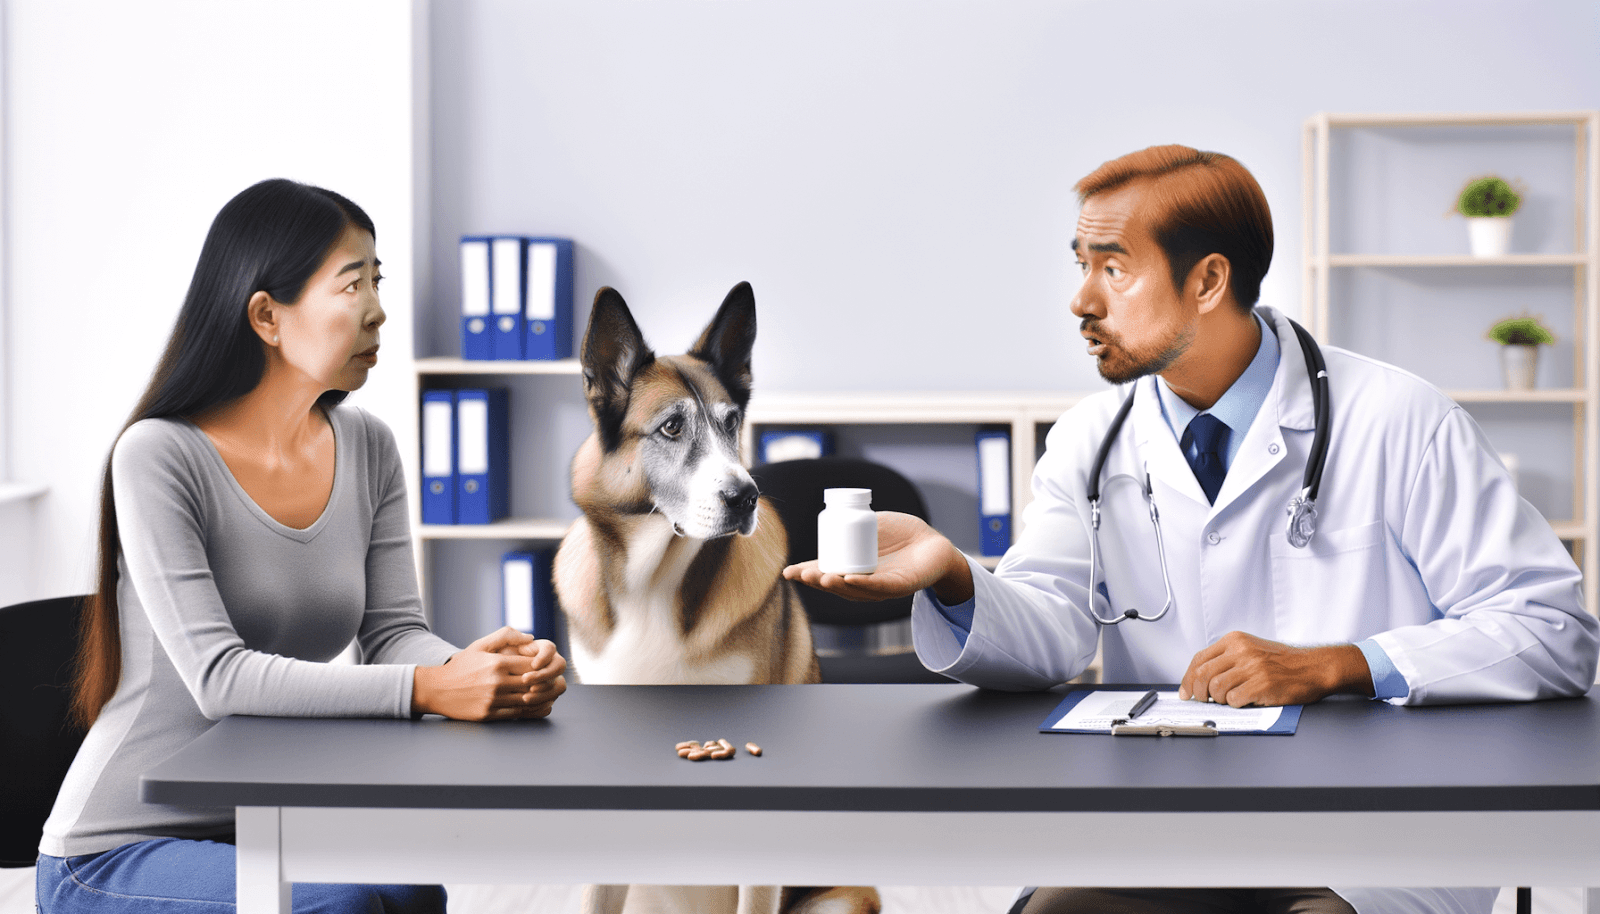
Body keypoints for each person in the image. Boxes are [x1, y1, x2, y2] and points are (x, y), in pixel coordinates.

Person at [785, 145, 1599, 914]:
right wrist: (955, 575)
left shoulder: (1400, 420)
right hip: (1163, 834)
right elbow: (1053, 633)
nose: (1081, 300)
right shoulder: (1089, 439)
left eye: (1114, 268)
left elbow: (1552, 628)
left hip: (1368, 836)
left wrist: (1343, 665)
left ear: (1208, 280)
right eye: (1081, 266)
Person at [36, 178, 568, 913]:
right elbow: (218, 678)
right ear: (267, 316)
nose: (380, 309)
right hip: (115, 849)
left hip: (260, 824)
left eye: (378, 279)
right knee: (340, 906)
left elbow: (393, 635)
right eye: (353, 284)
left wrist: (481, 672)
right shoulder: (158, 455)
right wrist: (431, 690)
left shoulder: (369, 447)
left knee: (413, 894)